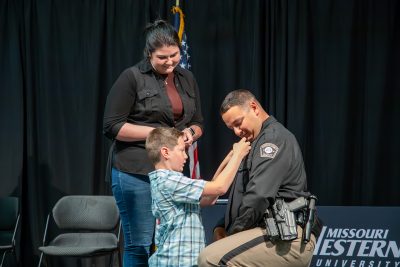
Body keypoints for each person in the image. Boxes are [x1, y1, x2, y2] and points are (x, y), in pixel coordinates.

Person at [103, 20, 204, 266]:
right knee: (140, 243)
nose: (170, 62)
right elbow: (112, 126)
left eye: (175, 55)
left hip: (172, 174)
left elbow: (199, 121)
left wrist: (191, 132)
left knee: (166, 241)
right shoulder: (132, 78)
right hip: (135, 172)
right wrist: (158, 133)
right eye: (162, 57)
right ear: (149, 54)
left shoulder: (187, 78)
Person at [198, 89, 322, 267]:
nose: (236, 131)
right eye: (231, 127)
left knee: (210, 258)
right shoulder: (254, 142)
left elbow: (258, 197)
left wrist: (232, 234)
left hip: (286, 237)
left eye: (238, 123)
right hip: (269, 234)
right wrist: (221, 226)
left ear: (254, 108)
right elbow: (243, 198)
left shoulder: (272, 140)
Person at [145, 127, 251, 267]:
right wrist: (238, 155)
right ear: (165, 152)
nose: (186, 156)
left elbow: (210, 198)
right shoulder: (168, 181)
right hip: (175, 261)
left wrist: (228, 159)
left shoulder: (172, 181)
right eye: (182, 150)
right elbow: (220, 187)